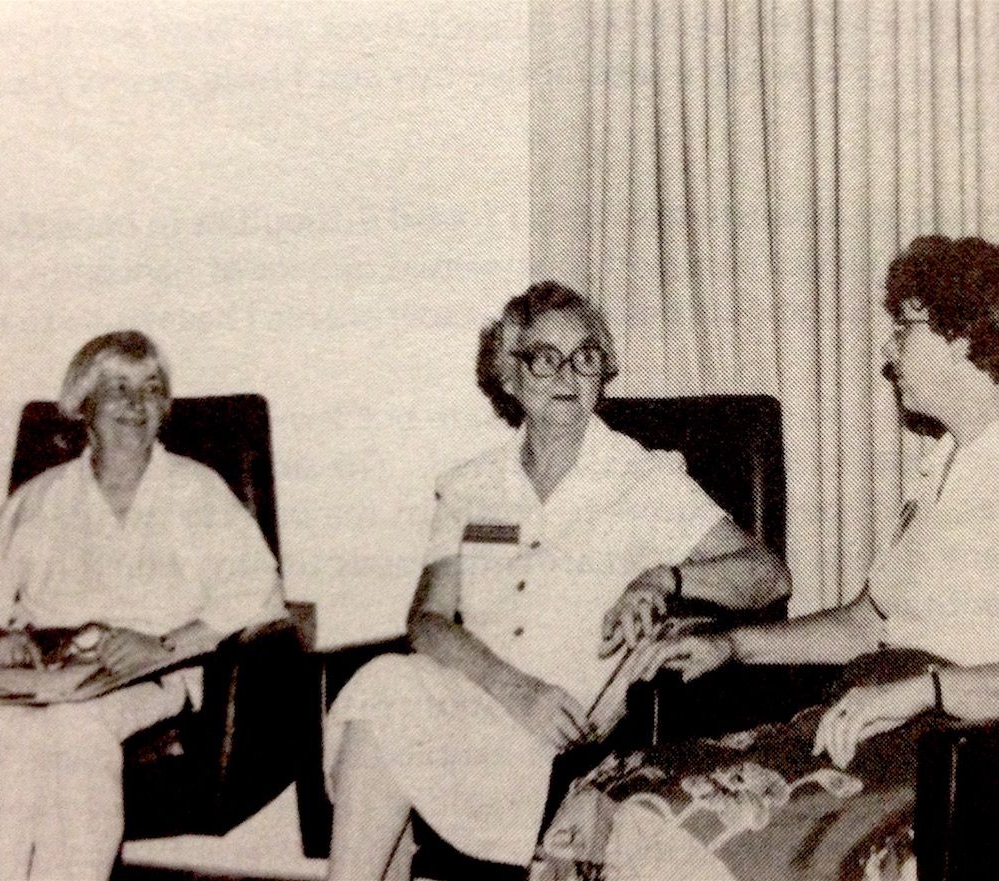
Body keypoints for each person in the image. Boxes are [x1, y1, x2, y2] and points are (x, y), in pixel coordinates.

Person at [534, 237, 999, 881]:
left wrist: (924, 691)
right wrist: (733, 646)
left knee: (674, 833)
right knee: (610, 795)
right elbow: (864, 625)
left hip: (954, 761)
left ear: (961, 338)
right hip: (866, 730)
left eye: (904, 330)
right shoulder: (944, 468)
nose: (888, 353)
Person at [323, 281, 791, 881]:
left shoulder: (644, 478)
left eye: (585, 355)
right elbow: (428, 621)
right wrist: (513, 690)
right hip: (476, 700)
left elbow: (767, 575)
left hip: (567, 733)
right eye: (545, 357)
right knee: (387, 683)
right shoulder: (471, 485)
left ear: (602, 371)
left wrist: (665, 577)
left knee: (386, 709)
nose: (567, 373)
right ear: (511, 378)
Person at [0, 330, 284, 881]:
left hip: (150, 673)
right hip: (48, 674)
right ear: (83, 404)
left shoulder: (198, 493)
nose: (135, 404)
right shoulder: (40, 499)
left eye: (151, 389)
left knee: (73, 733)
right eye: (117, 387)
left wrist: (163, 644)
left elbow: (256, 594)